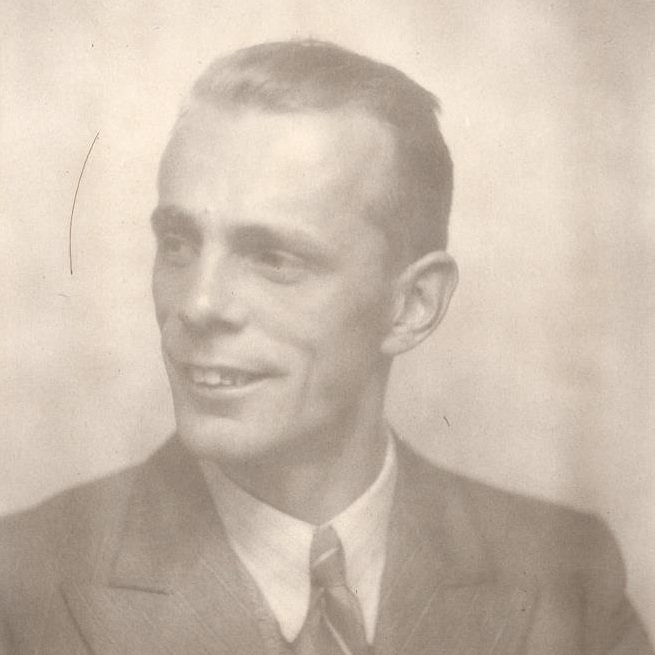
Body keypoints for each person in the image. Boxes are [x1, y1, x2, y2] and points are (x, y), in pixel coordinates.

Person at [0, 40, 651, 655]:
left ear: (412, 305)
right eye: (178, 243)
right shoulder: (21, 589)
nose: (197, 304)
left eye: (273, 257)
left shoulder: (564, 573)